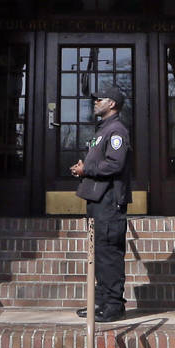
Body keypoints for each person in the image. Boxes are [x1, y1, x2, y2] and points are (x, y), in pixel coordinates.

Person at [71, 82, 132, 322]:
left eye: (100, 98)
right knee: (99, 254)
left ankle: (114, 306)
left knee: (109, 254)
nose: (95, 102)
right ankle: (100, 302)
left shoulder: (117, 130)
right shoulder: (103, 129)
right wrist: (83, 170)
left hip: (110, 201)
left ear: (112, 104)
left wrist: (88, 169)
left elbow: (115, 164)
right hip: (98, 200)